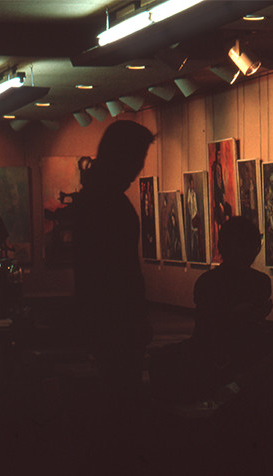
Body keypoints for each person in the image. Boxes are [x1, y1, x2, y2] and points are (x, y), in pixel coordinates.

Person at [72, 120, 155, 398]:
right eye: (138, 157)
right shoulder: (109, 202)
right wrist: (136, 318)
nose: (139, 166)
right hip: (117, 321)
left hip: (106, 319)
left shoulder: (93, 197)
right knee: (122, 394)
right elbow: (120, 271)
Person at [192, 216, 273, 390]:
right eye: (243, 246)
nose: (248, 253)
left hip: (240, 357)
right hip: (226, 359)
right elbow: (206, 330)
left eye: (252, 247)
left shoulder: (208, 281)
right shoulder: (259, 282)